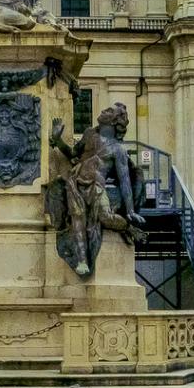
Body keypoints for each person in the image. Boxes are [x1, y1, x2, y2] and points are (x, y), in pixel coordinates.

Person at [46, 103, 146, 277]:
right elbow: (72, 154)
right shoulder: (89, 134)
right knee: (78, 218)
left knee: (105, 217)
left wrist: (130, 210)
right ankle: (82, 261)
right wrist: (58, 140)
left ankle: (127, 227)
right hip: (75, 181)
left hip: (97, 187)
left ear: (115, 120)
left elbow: (125, 182)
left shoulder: (118, 150)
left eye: (108, 111)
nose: (102, 111)